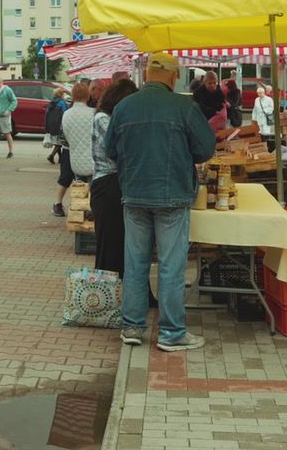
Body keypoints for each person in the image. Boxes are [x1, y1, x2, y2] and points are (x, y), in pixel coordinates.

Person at [107, 52, 215, 352]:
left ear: (146, 75)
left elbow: (110, 150)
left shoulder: (124, 106)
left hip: (134, 194)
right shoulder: (184, 106)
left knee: (136, 262)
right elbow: (205, 149)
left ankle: (132, 326)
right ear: (172, 76)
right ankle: (171, 333)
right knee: (170, 265)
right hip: (173, 195)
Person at [91, 79, 139, 275]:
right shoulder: (103, 119)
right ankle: (108, 294)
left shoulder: (108, 118)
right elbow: (117, 151)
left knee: (123, 242)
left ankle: (124, 292)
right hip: (108, 184)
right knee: (111, 243)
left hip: (116, 184)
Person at [54, 82, 96, 217]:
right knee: (92, 185)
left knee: (70, 181)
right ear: (88, 95)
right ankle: (90, 210)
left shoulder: (66, 114)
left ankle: (70, 209)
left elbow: (63, 137)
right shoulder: (94, 113)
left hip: (73, 156)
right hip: (92, 158)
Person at [0, 77, 18, 158]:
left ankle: (11, 151)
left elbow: (14, 101)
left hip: (4, 115)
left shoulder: (7, 90)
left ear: (0, 82)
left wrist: (9, 110)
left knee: (7, 133)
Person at [44, 88, 69, 164]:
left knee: (57, 141)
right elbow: (65, 113)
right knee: (59, 143)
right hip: (59, 124)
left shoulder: (52, 102)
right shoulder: (62, 103)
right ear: (61, 94)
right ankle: (51, 156)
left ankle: (60, 158)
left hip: (51, 125)